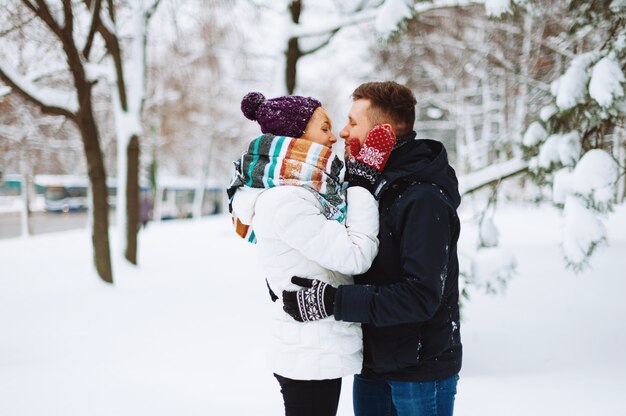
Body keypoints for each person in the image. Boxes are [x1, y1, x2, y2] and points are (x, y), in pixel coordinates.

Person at [281, 81, 462, 416]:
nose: (344, 132)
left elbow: (421, 295)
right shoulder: (366, 184)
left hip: (419, 371)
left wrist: (334, 302)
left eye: (353, 122)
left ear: (384, 132)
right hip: (373, 364)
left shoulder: (422, 198)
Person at [227, 92, 397, 416]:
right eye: (324, 127)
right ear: (297, 134)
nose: (333, 137)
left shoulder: (303, 191)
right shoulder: (288, 200)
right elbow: (356, 255)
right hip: (309, 353)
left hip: (311, 347)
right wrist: (361, 185)